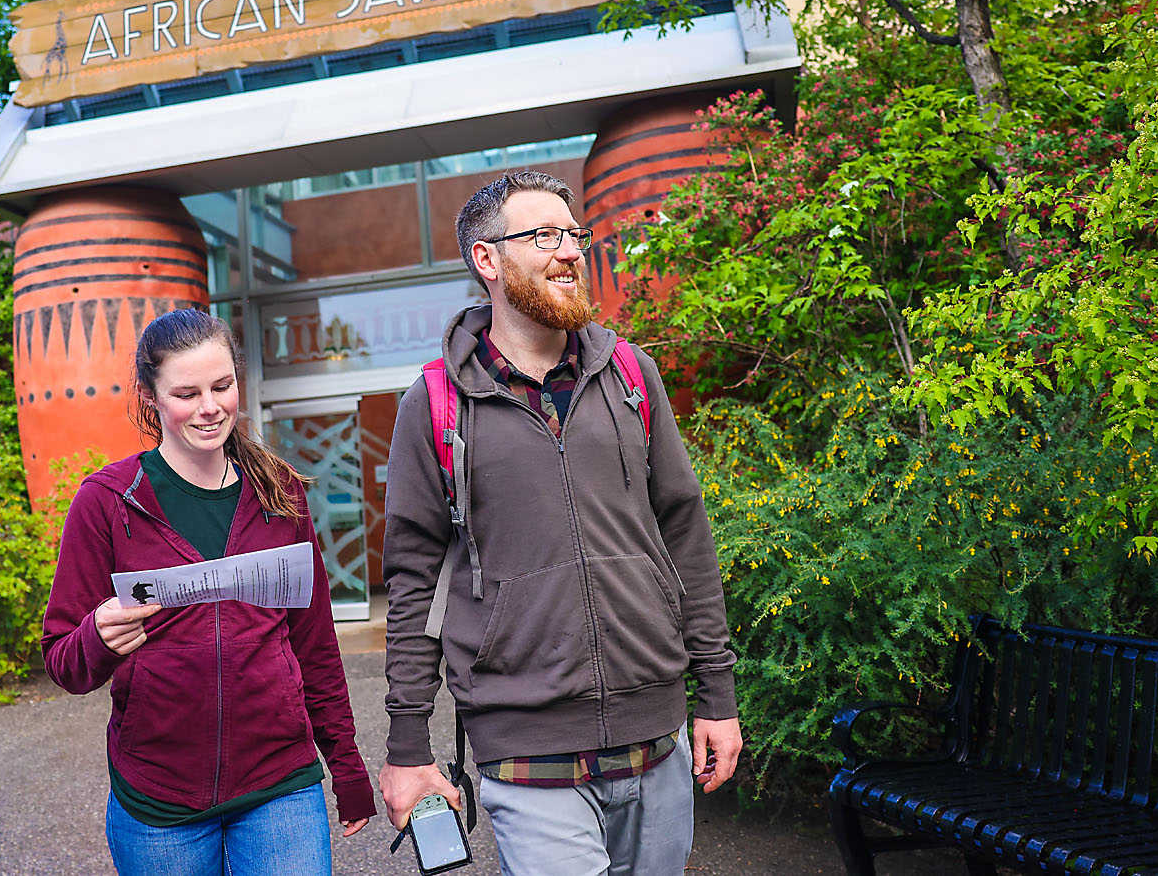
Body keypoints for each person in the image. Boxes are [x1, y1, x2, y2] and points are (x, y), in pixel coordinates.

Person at [379, 171, 742, 875]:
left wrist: (717, 696)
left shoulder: (630, 375)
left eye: (573, 234)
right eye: (542, 235)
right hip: (526, 750)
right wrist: (407, 745)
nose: (570, 250)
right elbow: (414, 586)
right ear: (487, 259)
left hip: (656, 737)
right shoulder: (434, 405)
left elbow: (685, 536)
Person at [41, 307, 375, 876]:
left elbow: (315, 646)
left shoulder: (279, 494)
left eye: (222, 386)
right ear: (150, 396)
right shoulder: (106, 502)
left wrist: (347, 766)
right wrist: (97, 636)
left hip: (280, 785)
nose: (210, 408)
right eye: (186, 393)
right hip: (158, 799)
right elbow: (64, 662)